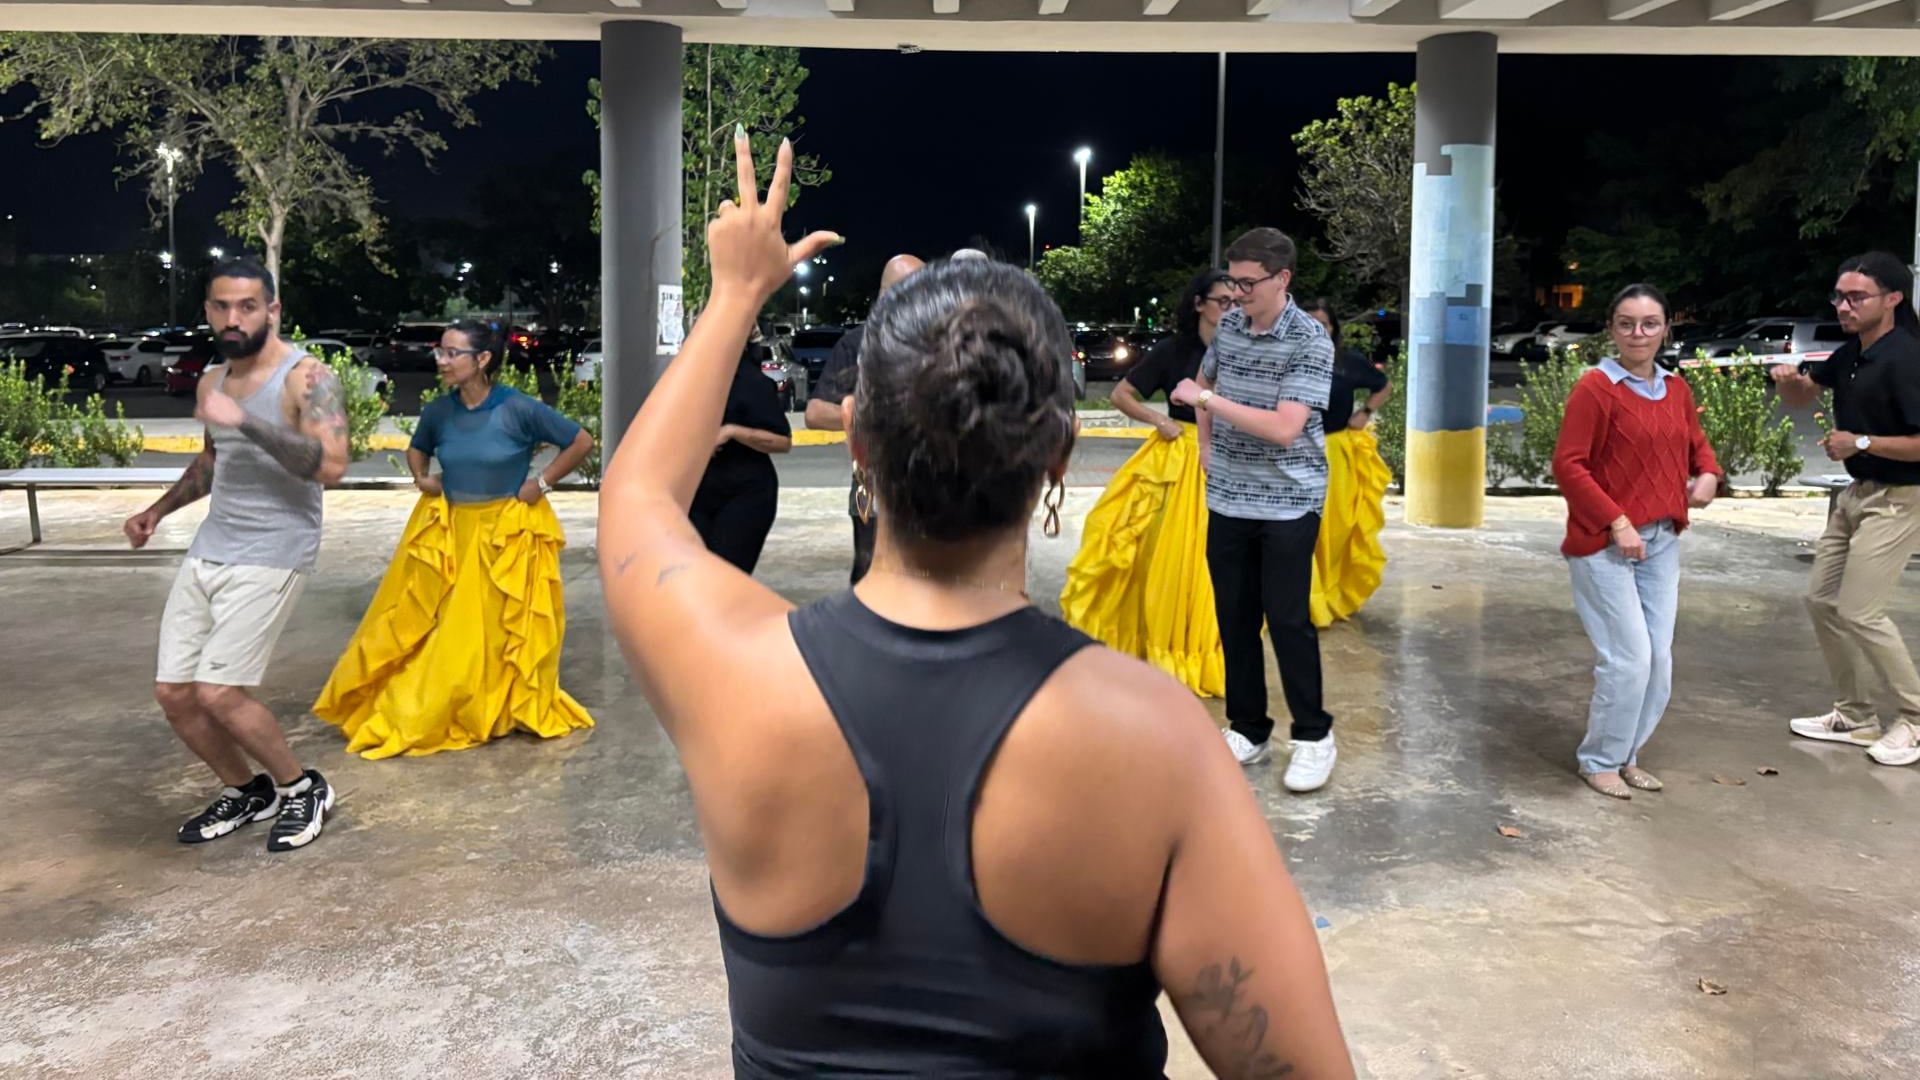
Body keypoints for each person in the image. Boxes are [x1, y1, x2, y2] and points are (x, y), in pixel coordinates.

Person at [597, 135, 1353, 1078]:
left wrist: (736, 294)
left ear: (861, 447)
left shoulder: (734, 675)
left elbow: (635, 502)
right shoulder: (1154, 740)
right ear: (1060, 459)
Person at [122, 255, 348, 852]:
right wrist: (159, 511)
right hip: (213, 545)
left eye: (247, 305)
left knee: (219, 693)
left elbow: (330, 467)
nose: (233, 316)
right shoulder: (212, 381)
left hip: (276, 548)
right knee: (174, 693)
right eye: (221, 306)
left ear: (272, 309)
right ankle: (248, 791)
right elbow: (214, 461)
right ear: (207, 311)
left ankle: (303, 788)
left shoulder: (308, 378)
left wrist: (246, 420)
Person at [312, 319, 596, 759]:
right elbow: (417, 447)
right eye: (439, 352)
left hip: (507, 533)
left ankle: (499, 708)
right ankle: (452, 705)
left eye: (451, 353)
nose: (441, 361)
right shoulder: (440, 411)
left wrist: (541, 484)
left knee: (501, 634)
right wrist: (421, 477)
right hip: (453, 534)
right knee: (448, 633)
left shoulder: (517, 407)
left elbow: (580, 440)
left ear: (482, 359)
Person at [1170, 228, 1340, 794]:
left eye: (1247, 284)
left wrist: (1206, 403)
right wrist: (1204, 443)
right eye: (1231, 283)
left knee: (1288, 619)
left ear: (1282, 279)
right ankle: (1248, 726)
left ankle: (1314, 736)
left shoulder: (1310, 340)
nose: (1236, 295)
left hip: (1291, 499)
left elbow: (1286, 429)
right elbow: (1206, 380)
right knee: (1234, 615)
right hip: (1229, 497)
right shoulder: (1232, 328)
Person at [1551, 284, 1721, 800]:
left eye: (1649, 324)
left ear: (1666, 328)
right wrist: (1616, 522)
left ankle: (1627, 755)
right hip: (1604, 543)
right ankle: (1598, 760)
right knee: (1628, 658)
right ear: (1612, 329)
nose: (1638, 334)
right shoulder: (1597, 388)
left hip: (1663, 540)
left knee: (1659, 661)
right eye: (1626, 323)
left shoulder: (1676, 389)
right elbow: (1569, 466)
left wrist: (1710, 475)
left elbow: (1699, 448)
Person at [1771, 251, 1920, 768]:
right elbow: (1800, 396)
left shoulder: (1907, 357)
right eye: (1839, 296)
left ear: (1894, 299)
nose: (1844, 305)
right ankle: (1856, 716)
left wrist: (1860, 441)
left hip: (1899, 499)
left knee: (1860, 611)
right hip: (1855, 498)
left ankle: (1916, 719)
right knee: (1821, 601)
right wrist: (1790, 380)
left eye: (1857, 296)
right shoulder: (1854, 352)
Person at [1059, 269, 1235, 696]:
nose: (1230, 309)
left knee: (1222, 567)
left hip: (1231, 462)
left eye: (1236, 302)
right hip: (1182, 462)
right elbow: (1122, 394)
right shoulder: (1175, 351)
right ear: (1199, 304)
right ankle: (1166, 646)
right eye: (1222, 301)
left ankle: (1211, 647)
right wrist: (1159, 420)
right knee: (1170, 558)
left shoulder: (1243, 349)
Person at [804, 254, 925, 584]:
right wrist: (872, 414)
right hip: (873, 492)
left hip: (936, 491)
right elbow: (815, 414)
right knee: (869, 576)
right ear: (885, 296)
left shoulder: (942, 344)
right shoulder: (856, 345)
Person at [1298, 299, 1393, 629]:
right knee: (1295, 530)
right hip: (1291, 451)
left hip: (1334, 451)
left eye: (1322, 324)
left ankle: (1329, 594)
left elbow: (1383, 386)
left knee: (1333, 527)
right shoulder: (1284, 359)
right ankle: (1299, 599)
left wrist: (1365, 413)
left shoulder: (1347, 362)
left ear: (1333, 329)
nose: (1314, 330)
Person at [690, 326, 793, 574]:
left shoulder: (752, 383)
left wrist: (732, 432)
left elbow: (782, 441)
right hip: (697, 492)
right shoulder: (694, 380)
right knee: (695, 574)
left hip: (744, 494)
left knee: (725, 575)